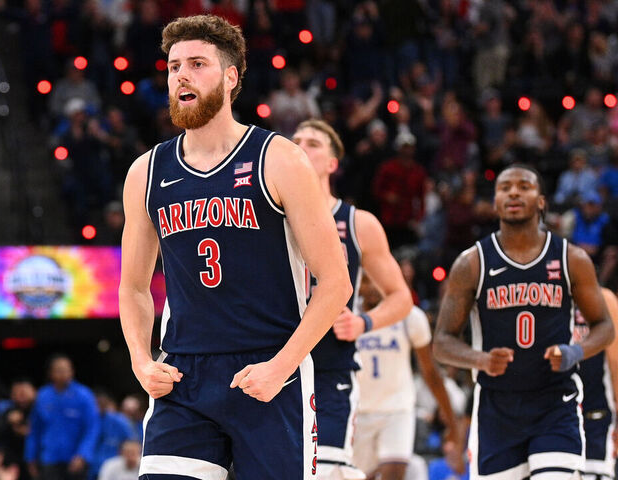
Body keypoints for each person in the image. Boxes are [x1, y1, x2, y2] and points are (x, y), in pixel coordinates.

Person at [118, 15, 351, 480]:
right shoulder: (146, 171)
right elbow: (135, 288)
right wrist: (141, 360)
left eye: (197, 64)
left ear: (230, 78)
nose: (181, 74)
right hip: (182, 376)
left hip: (267, 369)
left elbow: (335, 283)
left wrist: (281, 367)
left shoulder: (279, 158)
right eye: (173, 66)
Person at [433, 163, 615, 480]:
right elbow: (442, 342)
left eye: (524, 186)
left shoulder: (571, 258)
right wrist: (481, 359)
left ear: (542, 201)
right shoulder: (472, 263)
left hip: (555, 402)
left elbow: (605, 326)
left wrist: (574, 352)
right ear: (495, 202)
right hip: (497, 409)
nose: (514, 192)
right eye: (505, 188)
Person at [292, 119, 413, 480]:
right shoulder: (267, 218)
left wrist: (363, 322)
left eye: (313, 143)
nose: (300, 146)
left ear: (332, 163)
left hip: (330, 367)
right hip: (272, 363)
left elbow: (401, 297)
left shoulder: (358, 223)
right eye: (295, 140)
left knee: (326, 473)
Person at [353, 274, 463, 480]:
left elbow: (430, 372)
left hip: (397, 409)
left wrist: (452, 423)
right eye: (367, 281)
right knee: (360, 475)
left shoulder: (409, 316)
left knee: (394, 472)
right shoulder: (347, 315)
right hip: (359, 412)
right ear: (358, 283)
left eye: (377, 280)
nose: (373, 288)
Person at [24, 355, 99, 480]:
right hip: (49, 458)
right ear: (51, 373)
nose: (63, 374)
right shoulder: (43, 396)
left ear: (72, 371)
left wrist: (83, 454)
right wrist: (31, 457)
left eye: (66, 370)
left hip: (75, 458)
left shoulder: (84, 395)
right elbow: (34, 430)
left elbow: (92, 428)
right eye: (58, 370)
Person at [575, 288, 618, 480]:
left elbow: (616, 361)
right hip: (553, 413)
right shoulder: (545, 293)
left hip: (595, 414)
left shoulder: (603, 298)